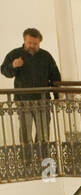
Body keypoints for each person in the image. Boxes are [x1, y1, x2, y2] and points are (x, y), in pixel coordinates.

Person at [2, 28, 61, 160]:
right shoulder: (15, 54)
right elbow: (4, 70)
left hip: (43, 100)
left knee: (44, 133)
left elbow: (55, 77)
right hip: (23, 101)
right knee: (25, 133)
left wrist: (57, 97)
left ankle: (42, 159)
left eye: (35, 44)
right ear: (24, 40)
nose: (32, 46)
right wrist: (13, 65)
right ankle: (26, 161)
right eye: (30, 43)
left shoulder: (46, 56)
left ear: (39, 42)